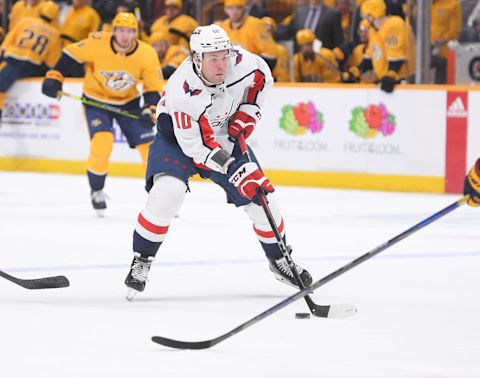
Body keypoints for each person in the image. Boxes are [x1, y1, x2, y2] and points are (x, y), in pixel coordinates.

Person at [124, 24, 313, 300]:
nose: (221, 64)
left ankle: (280, 259)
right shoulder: (183, 88)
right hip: (178, 140)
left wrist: (250, 111)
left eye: (224, 56)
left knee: (263, 199)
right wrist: (235, 170)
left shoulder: (243, 62)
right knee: (167, 193)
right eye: (213, 59)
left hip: (222, 135)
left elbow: (263, 78)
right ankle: (142, 258)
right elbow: (197, 147)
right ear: (196, 58)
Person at [41, 12, 163, 217]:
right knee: (102, 141)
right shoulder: (97, 42)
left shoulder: (147, 53)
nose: (125, 36)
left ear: (136, 33)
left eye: (130, 31)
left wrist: (150, 109)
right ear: (113, 31)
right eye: (121, 31)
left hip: (128, 103)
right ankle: (97, 190)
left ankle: (160, 195)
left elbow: (153, 88)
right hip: (96, 100)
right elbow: (70, 54)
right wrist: (55, 76)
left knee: (148, 146)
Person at [0, 1, 61, 119]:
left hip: (14, 58)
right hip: (33, 65)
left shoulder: (26, 21)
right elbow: (51, 62)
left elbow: (8, 40)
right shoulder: (55, 33)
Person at [217, 0, 278, 71]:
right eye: (230, 8)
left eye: (238, 8)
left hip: (253, 73)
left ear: (244, 9)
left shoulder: (257, 25)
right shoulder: (222, 27)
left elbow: (271, 57)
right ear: (225, 9)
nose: (234, 12)